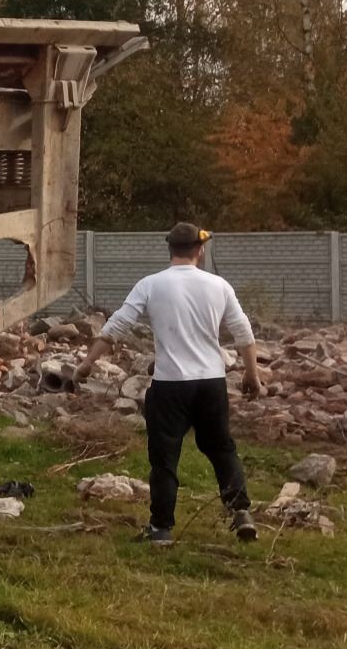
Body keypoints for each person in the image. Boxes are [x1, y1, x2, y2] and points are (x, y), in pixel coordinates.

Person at [78, 223, 263, 545]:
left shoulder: (151, 285)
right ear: (199, 251)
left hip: (170, 384)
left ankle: (161, 529)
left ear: (170, 250)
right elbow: (243, 334)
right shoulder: (219, 286)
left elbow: (117, 325)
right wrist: (252, 375)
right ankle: (240, 511)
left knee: (165, 457)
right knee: (221, 448)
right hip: (210, 382)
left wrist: (87, 362)